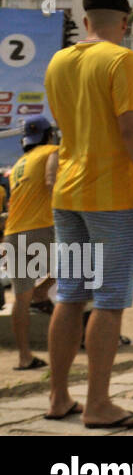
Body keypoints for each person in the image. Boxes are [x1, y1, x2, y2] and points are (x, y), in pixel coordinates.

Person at [43, 0, 133, 429]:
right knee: (110, 300)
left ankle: (58, 398)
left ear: (85, 20)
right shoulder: (120, 60)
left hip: (68, 196)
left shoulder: (58, 61)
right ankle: (98, 405)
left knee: (70, 295)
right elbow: (131, 129)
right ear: (125, 23)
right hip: (111, 196)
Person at [3, 117, 59, 370]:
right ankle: (42, 291)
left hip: (14, 232)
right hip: (41, 227)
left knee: (19, 299)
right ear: (49, 135)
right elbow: (50, 182)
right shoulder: (52, 151)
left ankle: (25, 356)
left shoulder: (17, 166)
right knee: (84, 261)